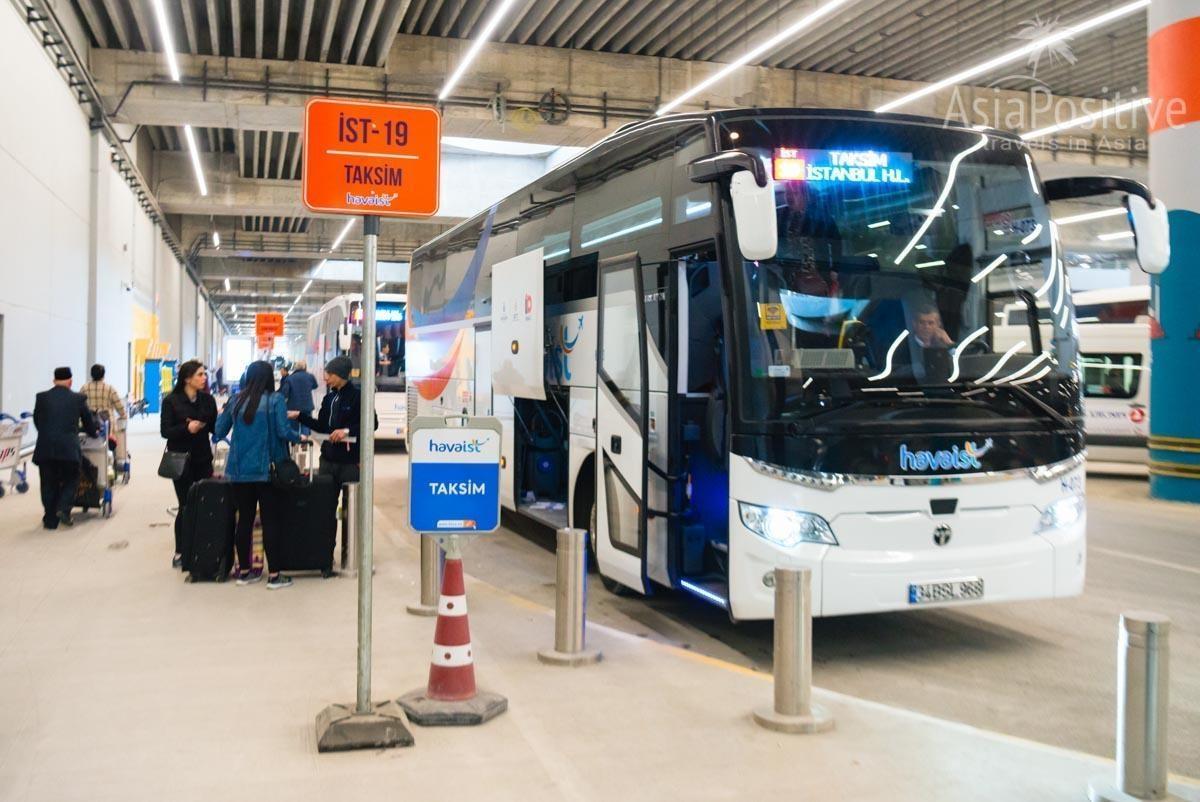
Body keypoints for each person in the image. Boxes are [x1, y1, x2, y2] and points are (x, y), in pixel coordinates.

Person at [215, 360, 302, 589]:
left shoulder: (235, 400)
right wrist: (298, 437)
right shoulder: (275, 401)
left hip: (239, 471)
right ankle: (274, 576)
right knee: (270, 521)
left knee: (244, 519)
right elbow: (284, 431)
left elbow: (218, 430)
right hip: (267, 472)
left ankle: (245, 572)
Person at [161, 360, 218, 568]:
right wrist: (187, 429)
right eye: (200, 375)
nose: (204, 378)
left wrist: (219, 420)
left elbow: (213, 428)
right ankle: (181, 550)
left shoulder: (207, 400)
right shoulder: (171, 401)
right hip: (180, 461)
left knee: (205, 503)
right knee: (186, 505)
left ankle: (202, 547)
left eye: (204, 374)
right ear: (187, 378)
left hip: (203, 459)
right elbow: (165, 431)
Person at [291, 356, 376, 488]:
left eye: (330, 374)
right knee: (324, 503)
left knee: (351, 505)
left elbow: (373, 424)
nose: (326, 378)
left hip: (350, 463)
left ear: (340, 375)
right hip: (327, 461)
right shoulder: (329, 398)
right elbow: (321, 427)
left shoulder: (359, 397)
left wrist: (346, 431)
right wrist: (299, 416)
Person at [32, 367, 98, 529]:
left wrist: (48, 433)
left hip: (45, 448)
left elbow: (37, 421)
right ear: (71, 382)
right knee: (71, 478)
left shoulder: (42, 398)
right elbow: (88, 423)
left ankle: (49, 519)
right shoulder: (78, 399)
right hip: (68, 449)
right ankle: (63, 508)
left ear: (54, 381)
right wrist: (94, 433)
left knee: (48, 483)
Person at [280, 360, 318, 433]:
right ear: (305, 367)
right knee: (306, 424)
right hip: (307, 405)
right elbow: (315, 386)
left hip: (293, 406)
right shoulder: (310, 376)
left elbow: (285, 392)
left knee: (294, 425)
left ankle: (295, 443)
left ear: (295, 368)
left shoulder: (290, 378)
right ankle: (305, 442)